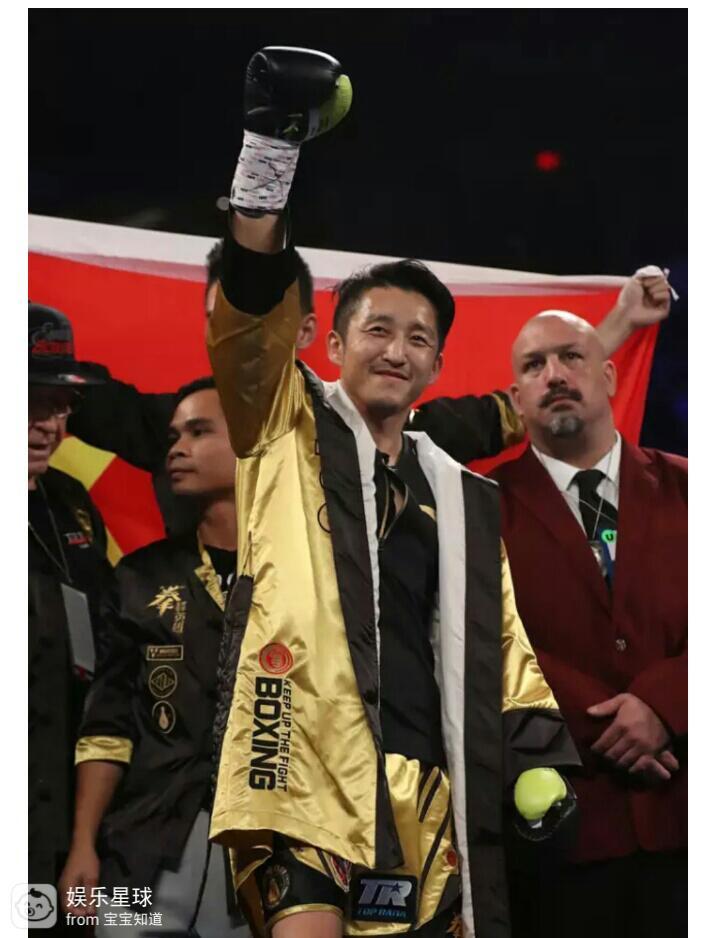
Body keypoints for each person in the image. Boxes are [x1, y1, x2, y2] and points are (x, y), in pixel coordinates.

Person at [206, 46, 580, 938]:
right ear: (332, 344)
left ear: (437, 365)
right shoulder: (282, 422)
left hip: (424, 784)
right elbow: (249, 309)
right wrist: (268, 155)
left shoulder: (462, 496)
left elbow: (501, 641)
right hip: (297, 760)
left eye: (417, 338)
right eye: (378, 329)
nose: (397, 349)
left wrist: (538, 756)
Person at [489, 310, 686, 938]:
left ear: (608, 376)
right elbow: (481, 643)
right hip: (564, 842)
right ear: (516, 400)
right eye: (534, 366)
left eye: (571, 356)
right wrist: (607, 722)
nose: (554, 375)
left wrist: (666, 703)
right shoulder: (476, 504)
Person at [58, 379, 249, 937]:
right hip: (140, 849)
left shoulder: (306, 578)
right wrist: (83, 844)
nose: (177, 449)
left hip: (263, 856)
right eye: (172, 437)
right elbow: (107, 722)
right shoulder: (139, 578)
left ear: (251, 445)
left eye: (199, 432)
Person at [66, 243, 318, 537]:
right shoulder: (175, 421)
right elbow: (73, 391)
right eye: (217, 319)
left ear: (304, 331)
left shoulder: (349, 434)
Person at [28, 303, 114, 892]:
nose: (48, 426)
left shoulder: (71, 500)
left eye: (60, 405)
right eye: (31, 402)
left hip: (63, 804)